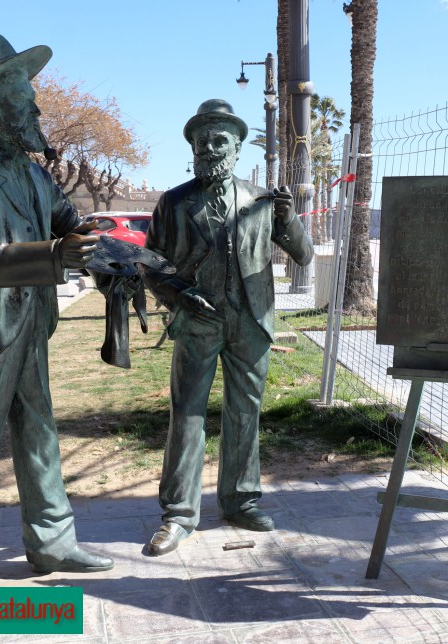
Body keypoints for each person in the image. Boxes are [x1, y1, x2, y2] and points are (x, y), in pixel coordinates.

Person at [0, 34, 111, 587]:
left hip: (30, 325)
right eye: (21, 95)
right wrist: (59, 254)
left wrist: (106, 248)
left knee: (39, 436)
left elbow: (69, 224)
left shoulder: (36, 175)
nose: (35, 106)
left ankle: (53, 544)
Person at [139, 99, 314, 556]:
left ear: (237, 149)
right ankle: (179, 513)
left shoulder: (261, 199)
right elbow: (149, 262)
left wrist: (287, 218)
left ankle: (240, 500)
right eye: (203, 141)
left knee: (245, 413)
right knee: (188, 416)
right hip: (198, 320)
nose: (210, 148)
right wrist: (175, 294)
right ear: (193, 147)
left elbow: (305, 254)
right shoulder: (174, 202)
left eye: (221, 141)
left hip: (250, 322)